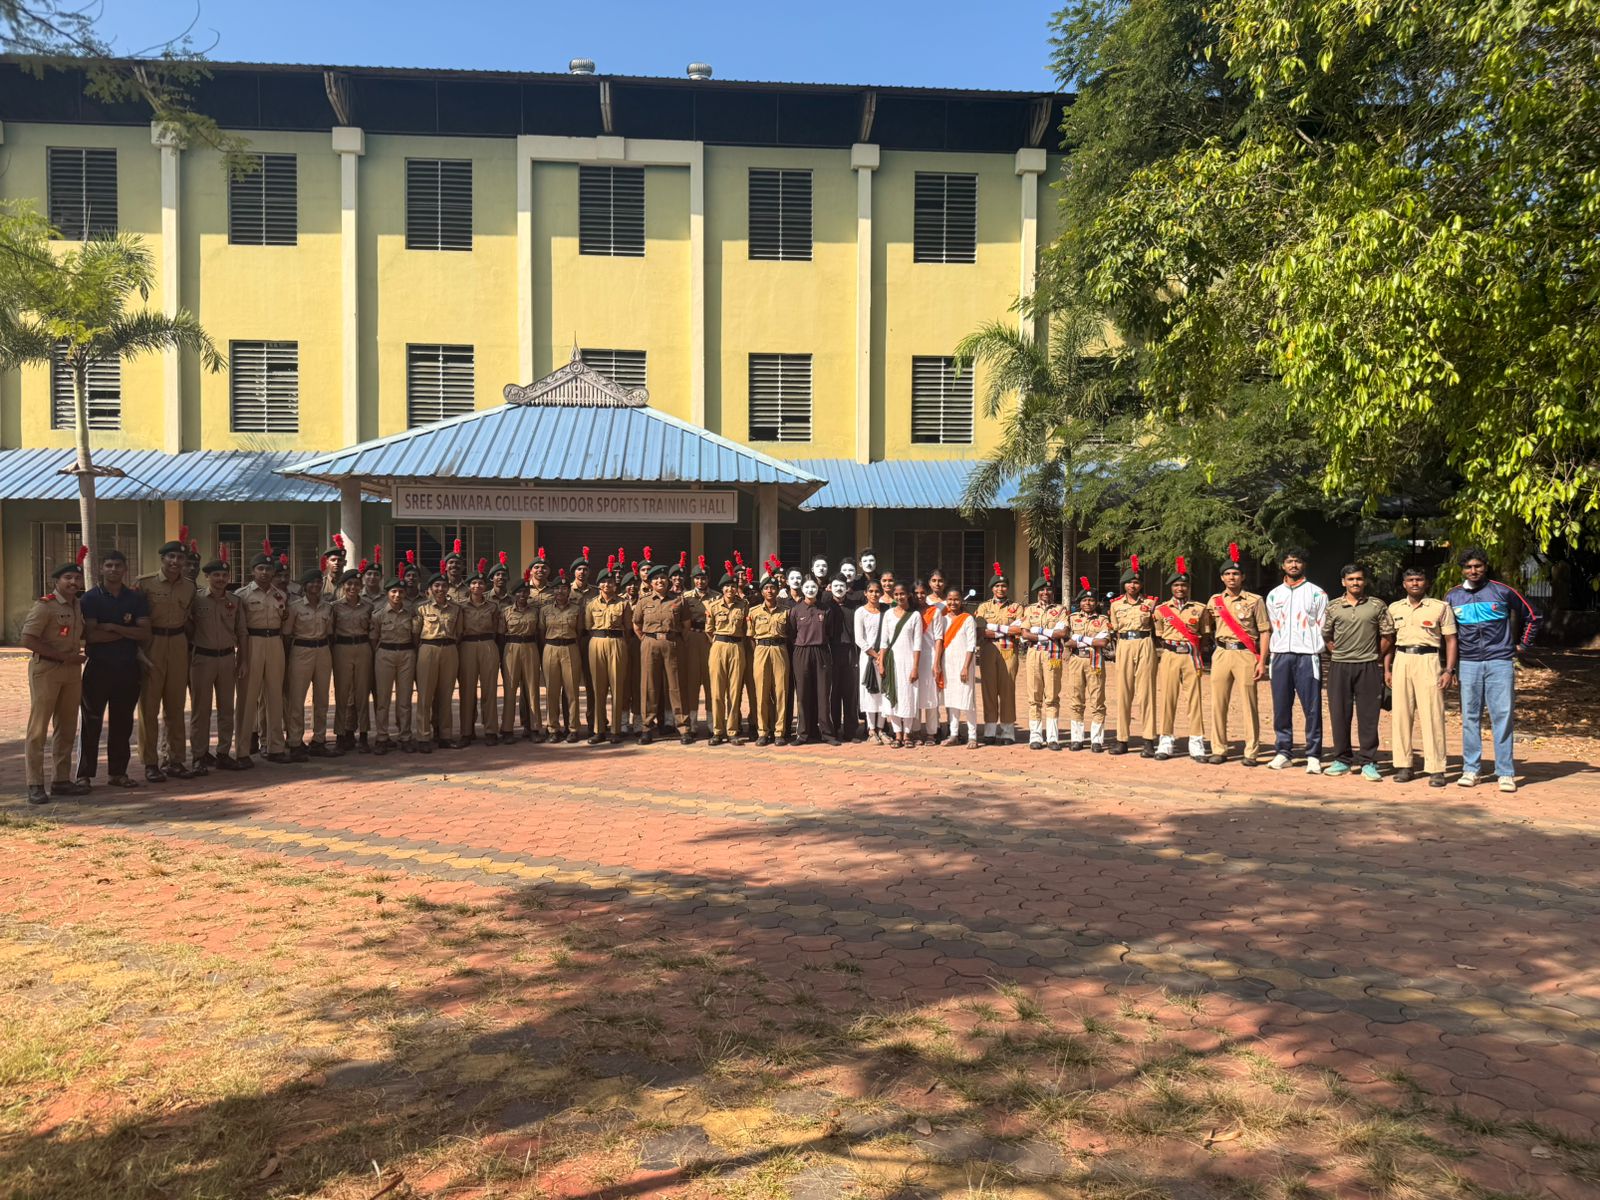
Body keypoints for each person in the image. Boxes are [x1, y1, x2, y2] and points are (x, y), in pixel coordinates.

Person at [1446, 548, 1540, 792]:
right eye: (1468, 567)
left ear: (1485, 566)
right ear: (1462, 570)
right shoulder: (1453, 596)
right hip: (1468, 663)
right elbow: (1447, 633)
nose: (1473, 570)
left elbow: (1533, 615)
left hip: (1500, 661)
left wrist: (1523, 645)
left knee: (1502, 716)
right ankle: (1471, 769)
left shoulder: (1502, 591)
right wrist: (1449, 667)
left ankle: (1505, 772)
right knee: (1470, 717)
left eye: (1477, 566)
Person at [76, 548, 150, 790]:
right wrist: (126, 633)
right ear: (101, 568)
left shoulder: (135, 598)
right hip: (98, 668)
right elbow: (91, 636)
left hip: (128, 668)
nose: (113, 569)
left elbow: (144, 632)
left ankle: (118, 773)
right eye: (108, 565)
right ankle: (84, 775)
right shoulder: (90, 599)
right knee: (91, 722)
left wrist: (113, 627)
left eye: (118, 565)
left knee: (122, 723)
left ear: (125, 569)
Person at [1321, 563, 1395, 780]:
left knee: (1369, 715)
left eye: (1359, 579)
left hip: (1368, 666)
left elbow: (1388, 635)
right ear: (1343, 582)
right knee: (1339, 714)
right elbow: (1327, 635)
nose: (1355, 582)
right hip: (1339, 666)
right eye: (1351, 579)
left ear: (1365, 581)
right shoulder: (1334, 606)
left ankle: (1368, 761)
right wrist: (1337, 652)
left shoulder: (1377, 605)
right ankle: (1342, 760)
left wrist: (1375, 656)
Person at [1386, 567, 1457, 786]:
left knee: (1432, 714)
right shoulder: (1394, 608)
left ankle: (1436, 768)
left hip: (1428, 660)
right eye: (1410, 580)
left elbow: (1451, 640)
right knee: (1401, 714)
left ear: (1426, 583)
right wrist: (1387, 669)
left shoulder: (1440, 607)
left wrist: (1449, 670)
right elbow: (1389, 640)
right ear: (1404, 584)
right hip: (1402, 659)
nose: (1415, 583)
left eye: (1419, 579)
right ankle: (1404, 765)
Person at [24, 558, 87, 804]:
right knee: (38, 729)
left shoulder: (78, 605)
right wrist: (63, 657)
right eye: (68, 578)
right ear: (57, 581)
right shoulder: (45, 606)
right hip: (47, 670)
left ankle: (61, 780)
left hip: (71, 672)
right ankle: (35, 783)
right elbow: (28, 639)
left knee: (67, 726)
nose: (73, 582)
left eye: (77, 578)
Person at [137, 536, 198, 782]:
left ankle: (175, 759)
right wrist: (138, 651)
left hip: (178, 643)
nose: (175, 561)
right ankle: (150, 762)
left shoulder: (189, 587)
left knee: (176, 705)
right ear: (162, 559)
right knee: (149, 707)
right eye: (171, 557)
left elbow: (190, 618)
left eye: (180, 558)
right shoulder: (145, 584)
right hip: (153, 643)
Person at [1206, 546, 1271, 766]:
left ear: (1243, 577)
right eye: (1227, 574)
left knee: (1249, 704)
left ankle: (1251, 751)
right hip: (1222, 653)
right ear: (1222, 578)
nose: (1231, 577)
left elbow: (1264, 631)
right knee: (1218, 703)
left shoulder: (1255, 600)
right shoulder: (1214, 601)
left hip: (1246, 654)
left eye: (1235, 573)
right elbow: (1206, 628)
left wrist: (1262, 661)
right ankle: (1219, 749)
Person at [1265, 548, 1328, 773]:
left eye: (1297, 561)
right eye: (1289, 561)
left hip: (1308, 656)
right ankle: (1283, 752)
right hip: (1281, 655)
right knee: (1281, 706)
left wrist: (1313, 646)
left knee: (1312, 707)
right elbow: (1274, 624)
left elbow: (1322, 624)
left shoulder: (1317, 593)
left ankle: (1313, 755)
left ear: (1304, 565)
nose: (1293, 565)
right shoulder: (1274, 595)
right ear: (1283, 565)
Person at [187, 556, 246, 773]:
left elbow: (242, 632)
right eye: (216, 575)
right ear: (207, 577)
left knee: (226, 709)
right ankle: (199, 755)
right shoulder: (196, 599)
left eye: (224, 575)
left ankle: (223, 753)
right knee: (201, 710)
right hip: (202, 659)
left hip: (227, 659)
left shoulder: (235, 601)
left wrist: (243, 660)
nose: (221, 579)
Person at [234, 553, 290, 766]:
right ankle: (242, 750)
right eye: (260, 569)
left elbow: (283, 622)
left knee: (275, 696)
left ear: (273, 572)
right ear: (252, 571)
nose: (265, 572)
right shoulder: (242, 595)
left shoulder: (280, 595)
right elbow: (239, 627)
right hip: (252, 642)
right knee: (247, 697)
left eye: (268, 569)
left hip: (274, 642)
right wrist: (242, 656)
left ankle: (275, 747)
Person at [1152, 557, 1209, 762]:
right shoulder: (1161, 610)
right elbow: (1159, 634)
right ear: (1171, 588)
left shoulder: (1200, 609)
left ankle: (1196, 742)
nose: (1180, 588)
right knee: (1168, 698)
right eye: (1176, 585)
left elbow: (1205, 635)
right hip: (1170, 655)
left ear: (1188, 587)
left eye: (1184, 585)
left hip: (1191, 656)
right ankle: (1166, 741)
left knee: (1194, 699)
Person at [634, 564, 693, 745]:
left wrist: (674, 640)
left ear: (668, 581)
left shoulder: (679, 600)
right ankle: (647, 727)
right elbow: (636, 624)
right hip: (650, 643)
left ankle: (683, 727)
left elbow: (686, 625)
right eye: (655, 579)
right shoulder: (643, 601)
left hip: (672, 643)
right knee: (649, 685)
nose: (659, 581)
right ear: (651, 582)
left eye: (662, 578)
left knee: (677, 685)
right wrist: (647, 640)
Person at [284, 570, 339, 761]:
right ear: (304, 585)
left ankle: (319, 740)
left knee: (322, 699)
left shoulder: (327, 608)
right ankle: (295, 742)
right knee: (297, 699)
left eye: (318, 582)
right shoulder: (295, 607)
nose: (315, 585)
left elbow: (330, 632)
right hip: (301, 650)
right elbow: (287, 634)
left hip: (322, 650)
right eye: (311, 582)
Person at [1108, 556, 1158, 756]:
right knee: (1123, 693)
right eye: (1129, 582)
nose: (1133, 585)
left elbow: (1157, 628)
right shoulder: (1115, 605)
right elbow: (1114, 628)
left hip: (1145, 643)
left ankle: (1148, 740)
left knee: (1147, 693)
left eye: (1136, 582)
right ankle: (1122, 740)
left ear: (1141, 584)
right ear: (1124, 584)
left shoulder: (1150, 603)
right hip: (1124, 645)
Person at [370, 576, 420, 754]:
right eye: (394, 591)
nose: (397, 595)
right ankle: (382, 737)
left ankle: (405, 736)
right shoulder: (378, 615)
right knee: (383, 699)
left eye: (401, 592)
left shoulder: (411, 613)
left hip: (406, 654)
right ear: (387, 593)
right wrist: (381, 654)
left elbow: (415, 637)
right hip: (385, 654)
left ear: (405, 594)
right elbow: (374, 639)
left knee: (404, 699)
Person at [975, 564, 1022, 745]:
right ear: (992, 588)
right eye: (997, 586)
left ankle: (1008, 731)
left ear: (1007, 588)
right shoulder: (984, 607)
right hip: (988, 650)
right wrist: (1006, 629)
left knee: (1007, 689)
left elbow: (1019, 630)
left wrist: (993, 628)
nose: (1000, 589)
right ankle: (990, 730)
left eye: (1003, 586)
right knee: (989, 689)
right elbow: (980, 630)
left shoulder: (1016, 607)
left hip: (1009, 650)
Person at [584, 565, 631, 744]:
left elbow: (628, 628)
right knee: (598, 687)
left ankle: (616, 730)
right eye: (603, 582)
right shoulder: (591, 604)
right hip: (597, 642)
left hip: (617, 642)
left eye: (610, 582)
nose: (607, 585)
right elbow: (588, 627)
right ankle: (599, 730)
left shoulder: (623, 603)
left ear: (615, 585)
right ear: (599, 584)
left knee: (617, 687)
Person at [791, 573, 840, 745]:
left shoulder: (826, 609)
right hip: (802, 652)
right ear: (802, 589)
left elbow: (830, 631)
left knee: (823, 693)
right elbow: (792, 632)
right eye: (807, 587)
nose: (810, 589)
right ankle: (804, 733)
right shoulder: (796, 610)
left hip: (821, 652)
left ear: (817, 588)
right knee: (803, 694)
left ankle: (827, 733)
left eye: (813, 586)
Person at [457, 570, 503, 745]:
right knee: (467, 690)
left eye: (481, 583)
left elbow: (497, 628)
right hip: (467, 645)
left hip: (487, 644)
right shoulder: (461, 606)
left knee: (489, 689)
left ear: (485, 586)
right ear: (469, 586)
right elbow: (458, 630)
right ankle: (466, 731)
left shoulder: (493, 606)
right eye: (474, 583)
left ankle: (490, 730)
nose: (477, 586)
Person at [330, 570, 374, 753]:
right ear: (343, 586)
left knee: (362, 693)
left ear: (361, 586)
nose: (353, 587)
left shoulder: (368, 606)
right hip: (342, 648)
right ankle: (340, 736)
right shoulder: (334, 607)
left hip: (363, 647)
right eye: (349, 584)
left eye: (356, 584)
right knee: (342, 694)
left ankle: (363, 735)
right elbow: (330, 630)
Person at [1022, 570, 1067, 750]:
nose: (1045, 592)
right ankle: (1035, 736)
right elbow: (1025, 633)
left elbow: (1062, 633)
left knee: (1052, 696)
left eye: (1048, 589)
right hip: (1034, 654)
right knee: (1034, 696)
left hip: (1052, 655)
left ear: (1053, 591)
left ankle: (1052, 737)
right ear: (1037, 592)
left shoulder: (1060, 610)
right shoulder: (1029, 610)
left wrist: (1039, 631)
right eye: (1042, 589)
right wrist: (1048, 634)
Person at [1064, 578, 1111, 751]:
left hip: (1095, 660)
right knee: (1076, 699)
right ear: (1080, 602)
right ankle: (1077, 738)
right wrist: (1091, 640)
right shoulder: (1072, 619)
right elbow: (1066, 641)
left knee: (1097, 700)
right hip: (1076, 660)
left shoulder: (1103, 619)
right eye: (1084, 600)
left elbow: (1103, 642)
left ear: (1096, 602)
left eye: (1091, 600)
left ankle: (1096, 740)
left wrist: (1079, 639)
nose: (1088, 603)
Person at [876, 581, 924, 748]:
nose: (899, 597)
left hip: (909, 661)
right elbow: (884, 641)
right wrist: (881, 663)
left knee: (908, 697)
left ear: (908, 595)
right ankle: (897, 734)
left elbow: (917, 644)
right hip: (891, 661)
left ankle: (907, 734)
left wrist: (915, 667)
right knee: (893, 698)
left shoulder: (915, 615)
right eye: (896, 594)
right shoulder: (888, 614)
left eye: (902, 594)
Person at [705, 568, 750, 745]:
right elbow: (709, 630)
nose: (730, 589)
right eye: (726, 586)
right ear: (722, 588)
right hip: (719, 646)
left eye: (732, 586)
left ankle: (732, 731)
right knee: (717, 691)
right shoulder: (713, 606)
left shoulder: (743, 605)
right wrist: (719, 643)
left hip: (737, 647)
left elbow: (747, 629)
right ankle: (717, 731)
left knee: (734, 691)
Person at [749, 573, 793, 746]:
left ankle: (779, 731)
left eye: (773, 588)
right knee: (761, 692)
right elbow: (750, 636)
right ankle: (763, 731)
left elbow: (791, 633)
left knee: (781, 691)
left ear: (777, 590)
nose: (770, 591)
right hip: (761, 650)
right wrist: (759, 650)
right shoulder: (754, 612)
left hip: (780, 650)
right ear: (762, 592)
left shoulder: (786, 611)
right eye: (766, 588)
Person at [501, 579, 546, 743]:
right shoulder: (505, 612)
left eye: (525, 592)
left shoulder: (535, 611)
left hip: (530, 647)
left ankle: (534, 728)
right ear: (514, 594)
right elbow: (500, 634)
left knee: (532, 690)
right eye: (519, 592)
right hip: (511, 648)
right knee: (510, 690)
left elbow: (540, 633)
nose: (523, 595)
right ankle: (507, 729)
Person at [939, 587, 980, 747]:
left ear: (962, 600)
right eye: (950, 599)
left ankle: (972, 736)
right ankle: (953, 734)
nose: (953, 602)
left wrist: (965, 667)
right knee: (951, 699)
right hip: (947, 664)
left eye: (956, 599)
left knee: (967, 699)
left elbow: (971, 645)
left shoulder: (967, 619)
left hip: (964, 664)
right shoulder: (943, 619)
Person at [854, 578, 891, 744]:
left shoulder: (887, 611)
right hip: (868, 658)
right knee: (869, 693)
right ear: (865, 593)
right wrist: (875, 655)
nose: (874, 594)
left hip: (885, 657)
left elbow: (889, 635)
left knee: (884, 693)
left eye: (877, 591)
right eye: (871, 591)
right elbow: (859, 638)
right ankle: (871, 730)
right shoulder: (860, 612)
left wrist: (882, 655)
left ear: (881, 593)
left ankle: (881, 729)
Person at [680, 558, 713, 735]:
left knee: (711, 681)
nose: (700, 581)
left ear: (708, 579)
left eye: (703, 578)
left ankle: (712, 723)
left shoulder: (716, 597)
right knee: (691, 682)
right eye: (697, 578)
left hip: (709, 639)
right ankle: (691, 723)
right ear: (693, 580)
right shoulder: (686, 597)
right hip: (692, 637)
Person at [829, 574, 862, 741]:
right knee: (833, 693)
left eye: (841, 585)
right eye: (835, 585)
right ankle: (834, 729)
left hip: (850, 652)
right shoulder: (826, 607)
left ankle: (851, 731)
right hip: (832, 653)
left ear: (847, 587)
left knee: (850, 694)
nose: (839, 588)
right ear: (830, 587)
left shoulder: (855, 608)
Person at [917, 569, 948, 743]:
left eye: (940, 580)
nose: (937, 583)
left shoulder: (942, 605)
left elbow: (940, 636)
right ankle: (917, 730)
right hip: (916, 655)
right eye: (934, 580)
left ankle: (935, 729)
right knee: (917, 692)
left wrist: (937, 661)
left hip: (935, 653)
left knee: (933, 693)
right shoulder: (915, 607)